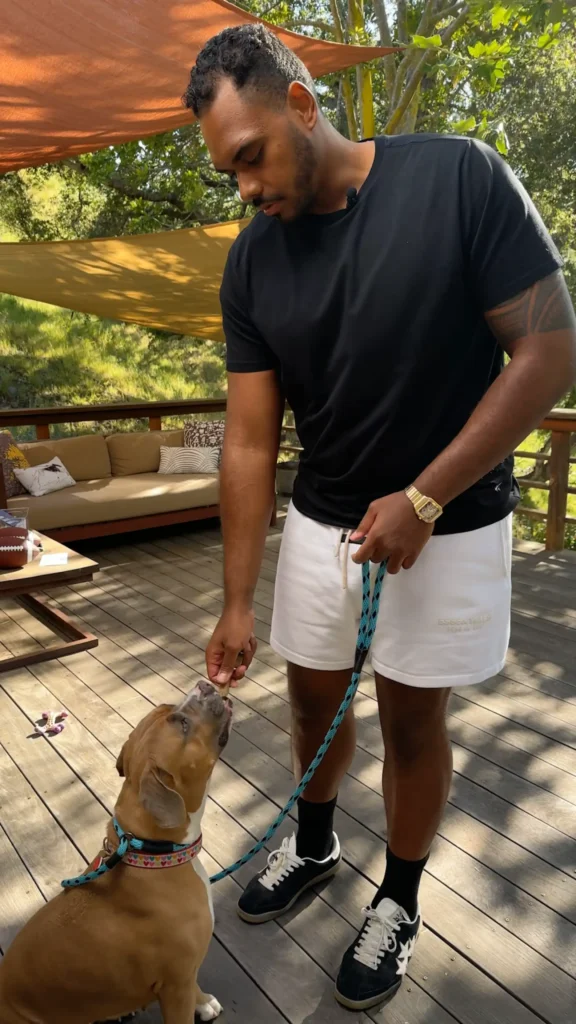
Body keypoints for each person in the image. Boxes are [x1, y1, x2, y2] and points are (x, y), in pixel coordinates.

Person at [183, 25, 576, 1012]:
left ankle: (398, 898)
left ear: (301, 105)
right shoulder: (252, 263)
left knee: (410, 719)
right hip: (324, 523)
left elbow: (550, 352)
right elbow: (248, 441)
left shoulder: (459, 178)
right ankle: (316, 845)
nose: (245, 187)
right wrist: (237, 600)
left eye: (251, 157)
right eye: (229, 172)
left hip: (455, 519)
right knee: (312, 703)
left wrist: (427, 496)